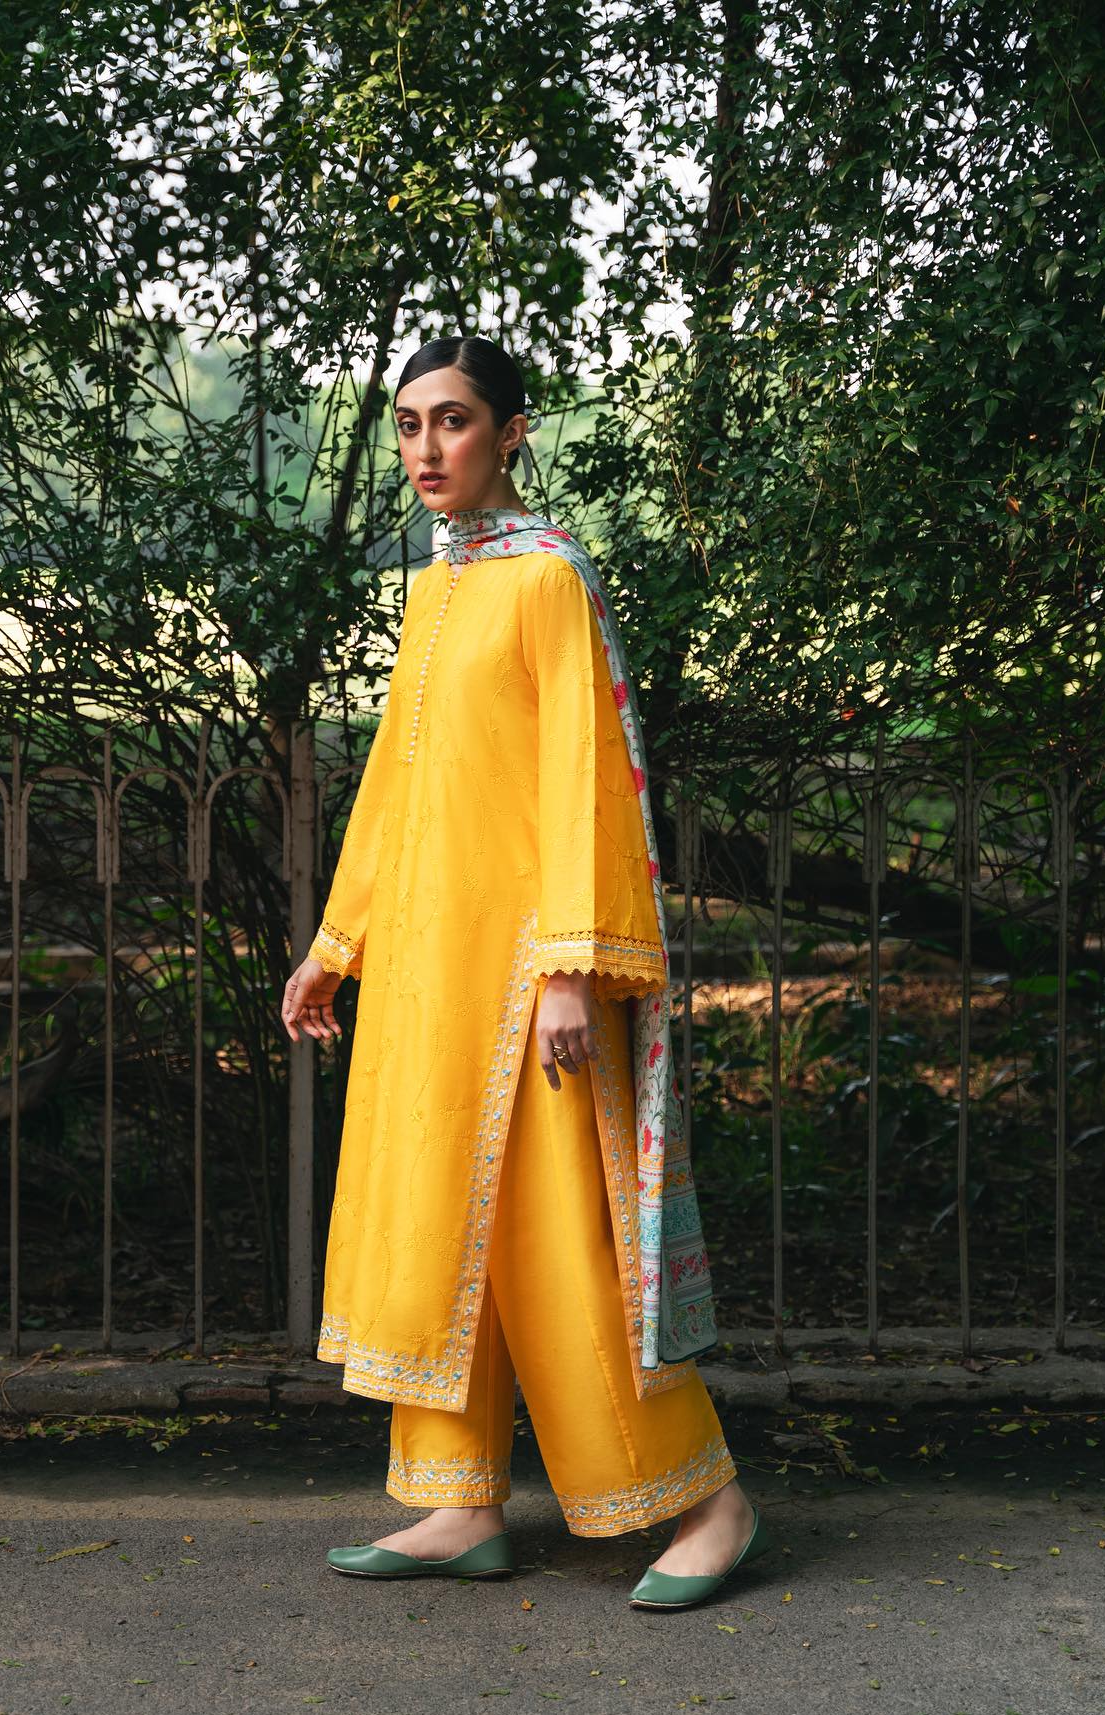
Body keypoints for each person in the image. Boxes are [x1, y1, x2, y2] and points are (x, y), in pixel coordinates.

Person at [280, 336, 771, 1610]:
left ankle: (709, 1503)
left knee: (565, 1244)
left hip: (528, 971)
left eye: (452, 420)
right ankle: (460, 1504)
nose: (425, 448)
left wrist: (567, 968)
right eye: (407, 425)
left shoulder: (550, 577)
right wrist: (338, 944)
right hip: (429, 969)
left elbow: (580, 777)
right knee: (441, 1226)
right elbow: (397, 786)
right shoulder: (434, 588)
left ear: (511, 434)